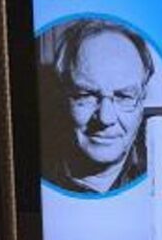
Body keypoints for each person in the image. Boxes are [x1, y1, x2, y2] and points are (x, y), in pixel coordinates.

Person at [42, 18, 154, 194]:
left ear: (142, 102)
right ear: (63, 96)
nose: (105, 117)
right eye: (85, 95)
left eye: (124, 96)